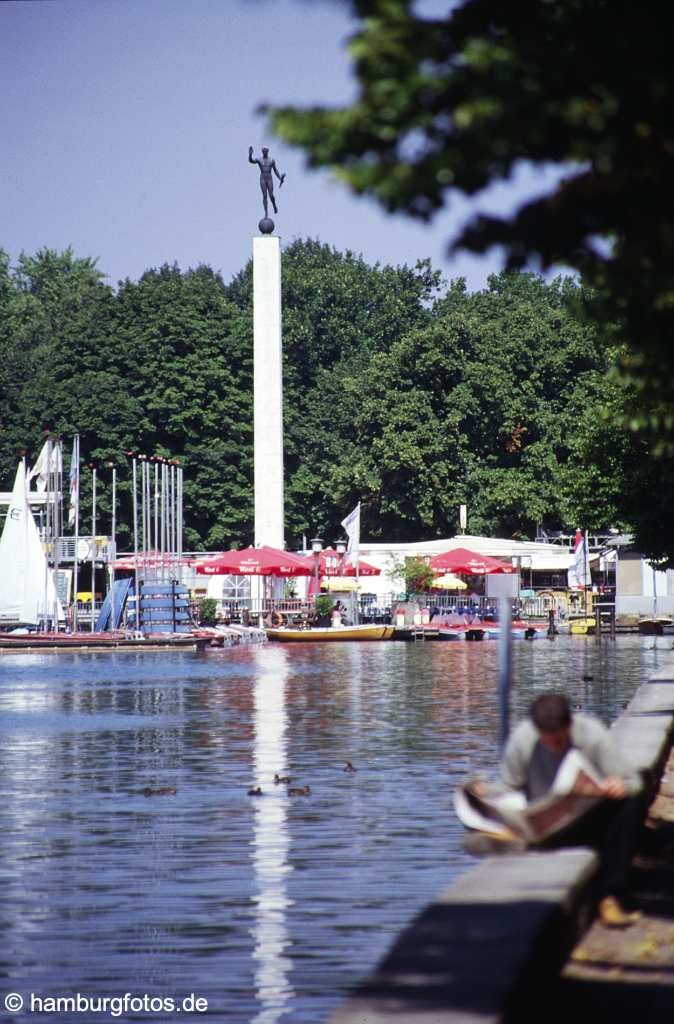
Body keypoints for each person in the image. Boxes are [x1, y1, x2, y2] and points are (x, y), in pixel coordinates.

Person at [500, 693, 645, 927]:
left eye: (558, 741)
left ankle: (611, 894)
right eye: (545, 741)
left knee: (628, 804)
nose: (552, 747)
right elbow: (508, 786)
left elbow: (635, 782)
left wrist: (620, 786)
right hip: (541, 825)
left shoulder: (592, 734)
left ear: (569, 726)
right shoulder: (522, 740)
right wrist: (484, 793)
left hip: (585, 822)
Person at [248, 146, 285, 218]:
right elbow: (251, 161)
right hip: (262, 178)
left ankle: (274, 205)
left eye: (266, 151)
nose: (264, 152)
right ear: (262, 152)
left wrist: (280, 178)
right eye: (263, 151)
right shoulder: (259, 159)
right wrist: (250, 154)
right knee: (265, 196)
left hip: (269, 178)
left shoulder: (271, 160)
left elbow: (275, 170)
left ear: (267, 151)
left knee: (271, 195)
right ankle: (266, 213)